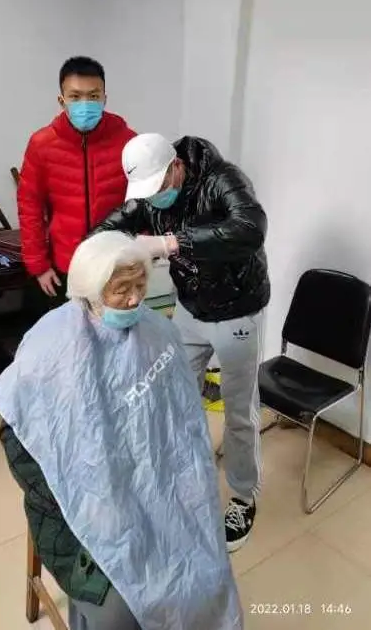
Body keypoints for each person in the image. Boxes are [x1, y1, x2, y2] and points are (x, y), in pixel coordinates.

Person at [0, 231, 243, 630]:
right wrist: (86, 498)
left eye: (140, 285)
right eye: (121, 290)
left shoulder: (158, 333)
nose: (135, 299)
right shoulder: (51, 347)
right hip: (86, 499)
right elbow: (17, 440)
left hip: (161, 483)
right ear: (89, 290)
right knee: (118, 613)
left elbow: (182, 423)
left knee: (204, 568)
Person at [92, 133, 271, 553]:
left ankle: (243, 497)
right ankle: (185, 476)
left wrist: (171, 242)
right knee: (178, 395)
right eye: (146, 193)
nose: (154, 199)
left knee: (239, 411)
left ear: (176, 166)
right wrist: (97, 257)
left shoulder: (223, 180)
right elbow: (111, 226)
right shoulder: (150, 196)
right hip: (190, 309)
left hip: (237, 311)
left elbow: (250, 229)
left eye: (158, 188)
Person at [17, 56, 136, 320]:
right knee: (71, 335)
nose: (85, 104)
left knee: (115, 333)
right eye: (75, 96)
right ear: (62, 101)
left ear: (105, 98)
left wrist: (139, 257)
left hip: (115, 264)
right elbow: (29, 207)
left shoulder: (128, 142)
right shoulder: (42, 144)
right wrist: (39, 266)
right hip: (65, 265)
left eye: (93, 96)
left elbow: (143, 203)